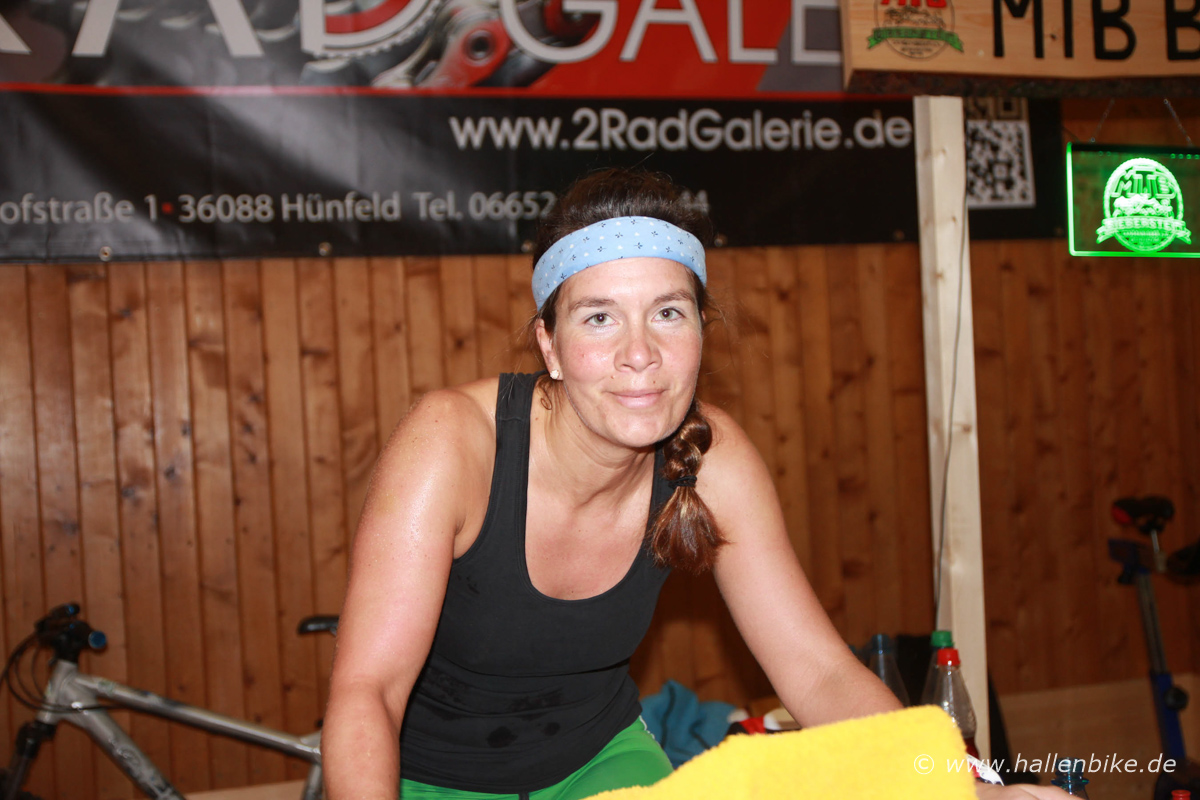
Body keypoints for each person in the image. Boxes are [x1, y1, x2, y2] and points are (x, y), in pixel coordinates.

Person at [321, 168, 1068, 800]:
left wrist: (965, 790)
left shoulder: (714, 457)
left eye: (669, 313)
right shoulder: (452, 443)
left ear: (702, 332)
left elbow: (817, 673)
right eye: (600, 318)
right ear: (549, 344)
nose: (640, 353)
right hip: (424, 780)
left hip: (598, 765)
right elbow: (368, 695)